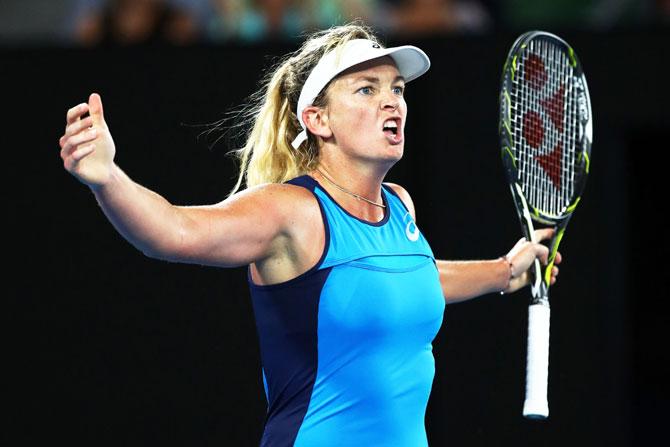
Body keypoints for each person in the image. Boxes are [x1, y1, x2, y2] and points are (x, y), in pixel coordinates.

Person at [59, 22, 560, 447]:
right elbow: (172, 231)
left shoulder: (399, 206)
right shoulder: (290, 211)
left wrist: (502, 271)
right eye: (367, 89)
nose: (393, 103)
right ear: (317, 119)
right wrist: (108, 178)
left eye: (397, 89)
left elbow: (407, 282)